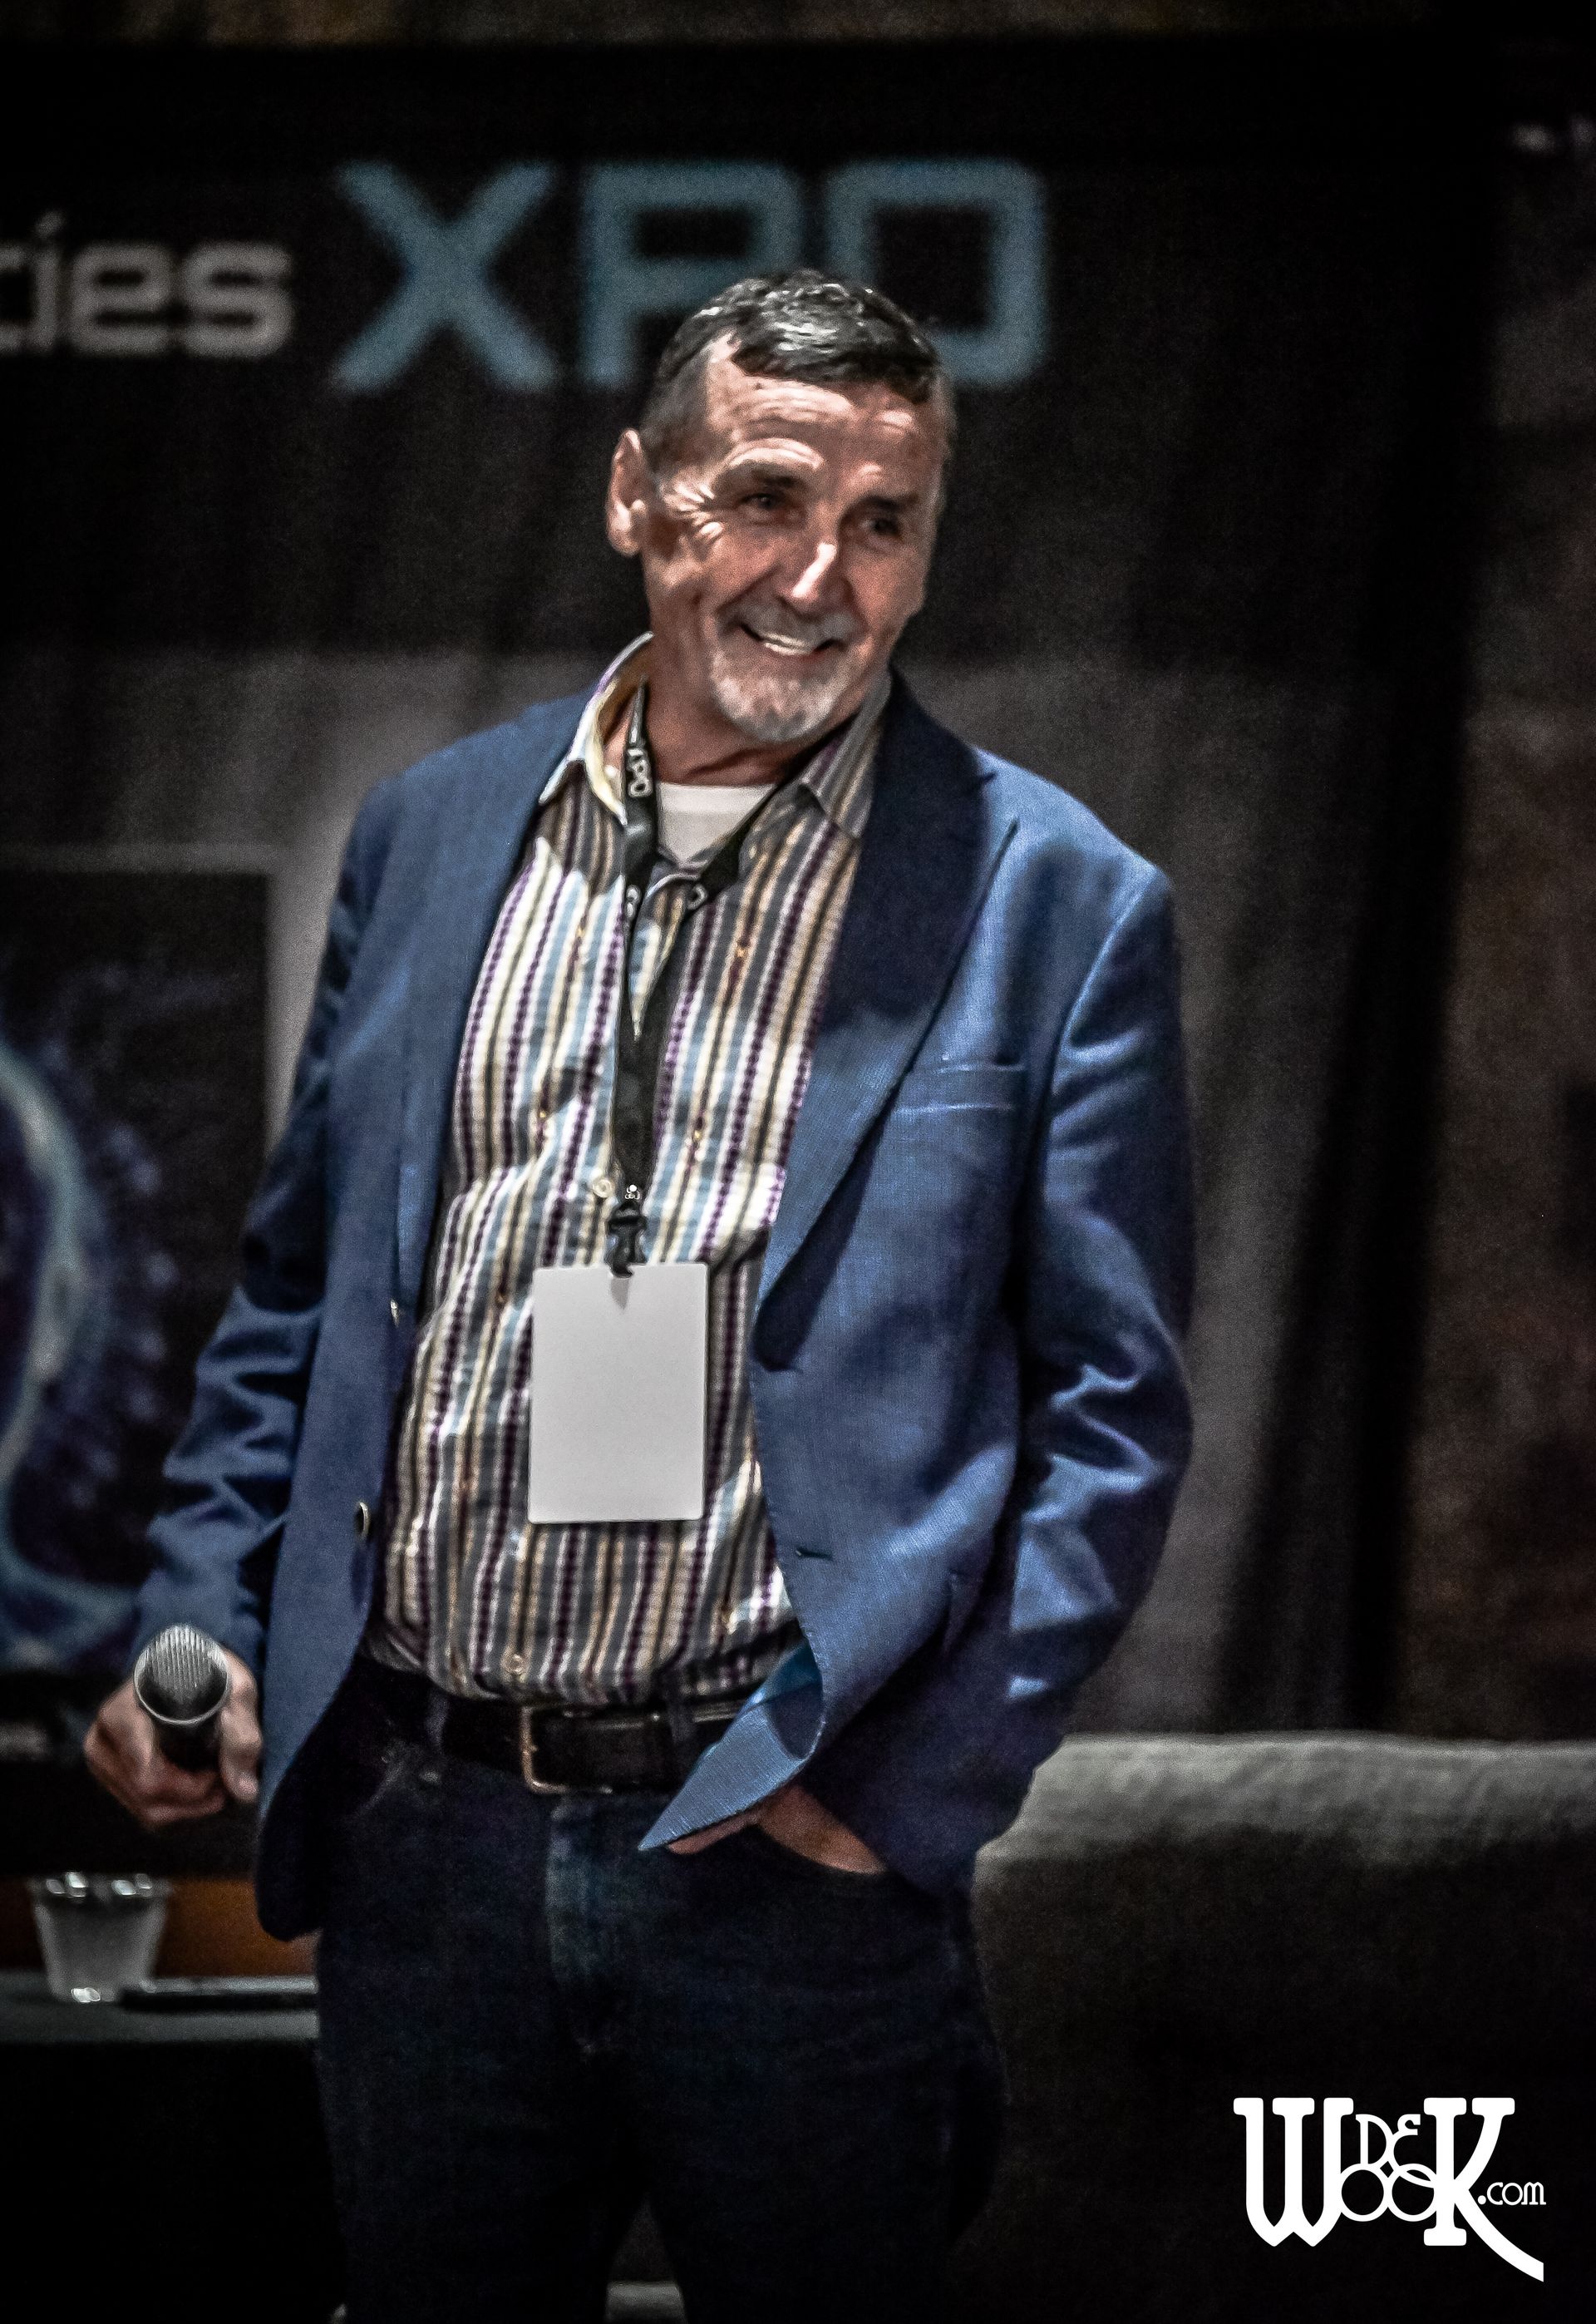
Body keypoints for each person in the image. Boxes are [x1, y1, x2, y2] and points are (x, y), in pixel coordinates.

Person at [86, 269, 1193, 2323]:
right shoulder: (435, 833)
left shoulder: (1057, 900)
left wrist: (890, 1805)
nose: (819, 577)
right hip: (433, 1846)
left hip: (784, 1864)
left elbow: (1114, 1420)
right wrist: (200, 1603)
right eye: (765, 496)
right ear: (634, 495)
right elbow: (301, 1298)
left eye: (882, 523)